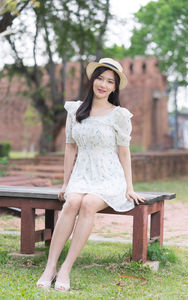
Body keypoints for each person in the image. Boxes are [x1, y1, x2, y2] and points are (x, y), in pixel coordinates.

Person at [36, 58, 145, 292]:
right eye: (100, 78)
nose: (103, 84)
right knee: (72, 201)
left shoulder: (119, 115)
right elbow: (70, 147)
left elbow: (124, 153)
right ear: (92, 79)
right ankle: (50, 267)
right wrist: (66, 183)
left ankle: (66, 268)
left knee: (87, 204)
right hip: (82, 174)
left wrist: (129, 186)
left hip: (109, 177)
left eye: (109, 81)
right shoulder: (75, 110)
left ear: (115, 87)